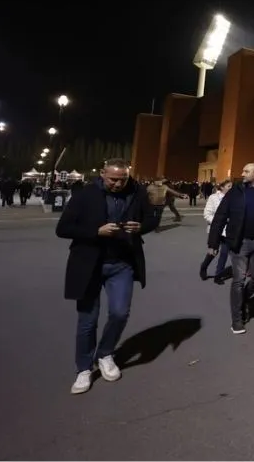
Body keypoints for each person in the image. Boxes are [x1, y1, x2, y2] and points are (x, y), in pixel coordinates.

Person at [55, 158, 159, 394]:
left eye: (123, 179)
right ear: (102, 174)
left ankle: (105, 353)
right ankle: (83, 368)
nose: (118, 184)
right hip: (89, 264)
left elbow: (153, 218)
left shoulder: (137, 191)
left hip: (122, 264)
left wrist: (141, 227)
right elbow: (63, 229)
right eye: (113, 179)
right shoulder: (85, 194)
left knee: (120, 312)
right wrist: (96, 231)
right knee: (87, 320)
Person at [208, 163, 254, 335]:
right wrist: (213, 243)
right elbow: (220, 216)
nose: (242, 173)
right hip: (240, 243)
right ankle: (237, 320)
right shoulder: (237, 191)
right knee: (238, 280)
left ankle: (243, 299)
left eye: (246, 171)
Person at [199, 179, 232, 281]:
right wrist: (220, 221)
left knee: (225, 252)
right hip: (216, 229)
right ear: (222, 187)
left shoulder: (233, 199)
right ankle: (204, 267)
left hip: (228, 230)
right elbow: (207, 214)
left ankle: (219, 274)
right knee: (213, 252)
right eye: (228, 187)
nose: (231, 189)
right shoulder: (213, 198)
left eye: (232, 187)